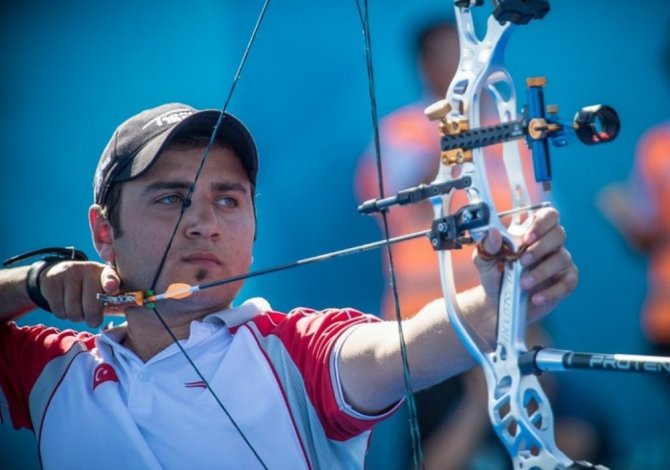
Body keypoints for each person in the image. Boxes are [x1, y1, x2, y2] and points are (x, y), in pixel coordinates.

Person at [0, 102, 576, 468]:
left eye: (228, 200)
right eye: (172, 198)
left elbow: (400, 349)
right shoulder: (54, 369)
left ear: (252, 227)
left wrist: (502, 298)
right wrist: (33, 282)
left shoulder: (295, 351)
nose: (205, 222)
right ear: (104, 231)